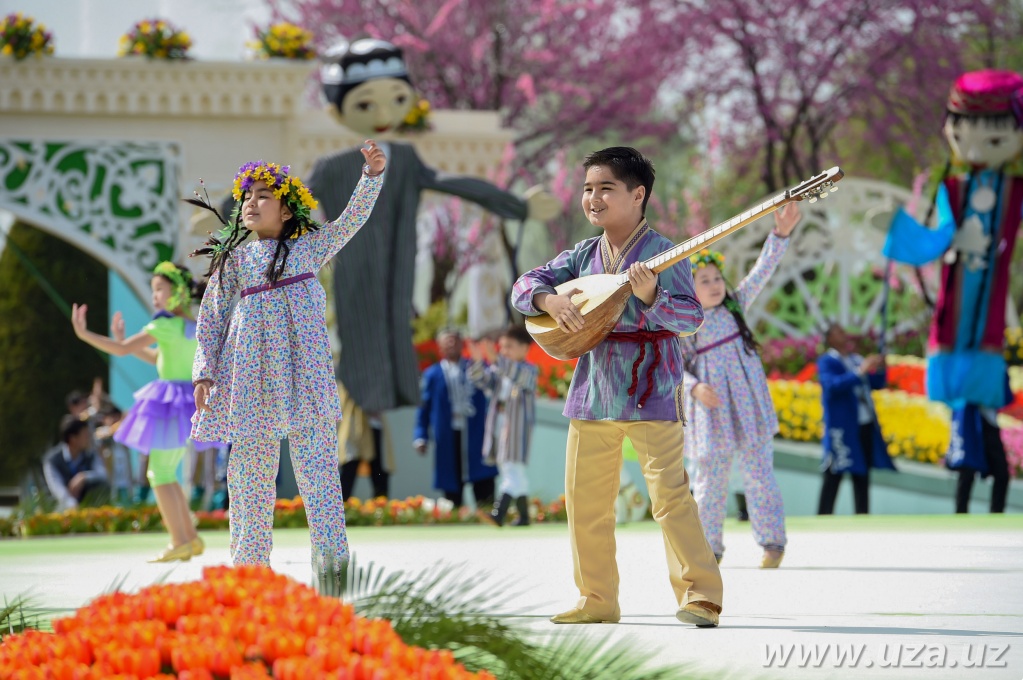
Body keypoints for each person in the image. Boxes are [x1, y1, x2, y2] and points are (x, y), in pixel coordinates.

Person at [512, 146, 723, 627]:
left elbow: (691, 317)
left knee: (670, 499)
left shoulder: (667, 253)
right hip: (593, 389)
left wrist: (652, 295)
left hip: (652, 386)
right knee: (585, 503)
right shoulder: (583, 255)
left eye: (606, 187)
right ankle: (596, 598)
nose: (593, 198)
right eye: (588, 189)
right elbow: (524, 284)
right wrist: (547, 297)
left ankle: (702, 595)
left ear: (638, 195)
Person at [310, 38, 559, 418]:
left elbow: (453, 182)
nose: (382, 112)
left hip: (399, 274)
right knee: (359, 341)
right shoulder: (332, 168)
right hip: (354, 275)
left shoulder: (406, 159)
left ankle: (398, 421)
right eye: (364, 103)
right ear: (336, 109)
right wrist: (228, 217)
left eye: (396, 98)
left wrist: (518, 205)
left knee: (397, 336)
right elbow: (284, 195)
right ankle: (362, 418)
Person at [190, 142, 386, 581]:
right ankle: (250, 579)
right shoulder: (234, 261)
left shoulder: (309, 249)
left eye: (264, 195)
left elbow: (351, 221)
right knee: (248, 486)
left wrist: (369, 178)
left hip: (307, 380)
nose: (252, 203)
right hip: (250, 384)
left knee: (320, 484)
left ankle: (333, 578)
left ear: (287, 208)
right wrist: (203, 371)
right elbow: (213, 316)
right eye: (247, 196)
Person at [882, 70, 1023, 513]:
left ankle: (979, 501)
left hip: (989, 319)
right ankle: (976, 502)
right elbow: (936, 239)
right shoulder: (951, 189)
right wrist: (903, 229)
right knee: (973, 423)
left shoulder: (1015, 190)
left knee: (976, 422)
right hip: (955, 319)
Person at [681, 203, 800, 569]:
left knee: (760, 474)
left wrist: (779, 235)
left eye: (718, 279)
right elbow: (674, 367)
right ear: (691, 287)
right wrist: (695, 387)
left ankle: (772, 544)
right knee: (710, 483)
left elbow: (762, 271)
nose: (715, 286)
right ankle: (708, 549)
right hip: (712, 409)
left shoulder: (736, 307)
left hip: (748, 404)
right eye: (705, 281)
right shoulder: (686, 324)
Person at [70, 262, 205, 561]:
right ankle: (190, 538)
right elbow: (157, 357)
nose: (154, 295)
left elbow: (124, 352)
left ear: (178, 293)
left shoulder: (163, 325)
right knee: (167, 471)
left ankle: (180, 540)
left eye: (159, 289)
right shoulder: (192, 326)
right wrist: (123, 342)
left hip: (170, 405)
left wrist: (84, 334)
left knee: (159, 473)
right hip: (188, 407)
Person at [817, 323, 896, 515]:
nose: (844, 334)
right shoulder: (827, 361)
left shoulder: (854, 359)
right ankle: (823, 515)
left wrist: (880, 368)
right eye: (839, 332)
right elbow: (833, 386)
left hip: (863, 424)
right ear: (830, 339)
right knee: (835, 472)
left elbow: (876, 383)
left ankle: (862, 515)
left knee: (862, 472)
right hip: (842, 426)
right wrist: (860, 371)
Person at [413, 328, 496, 509]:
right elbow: (424, 409)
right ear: (439, 347)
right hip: (447, 435)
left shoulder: (474, 368)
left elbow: (492, 383)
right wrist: (420, 436)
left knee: (483, 480)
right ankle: (454, 513)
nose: (451, 345)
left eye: (454, 341)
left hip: (475, 433)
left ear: (461, 344)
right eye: (446, 342)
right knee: (451, 482)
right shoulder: (432, 374)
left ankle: (489, 512)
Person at [468, 325, 539, 527]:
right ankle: (524, 517)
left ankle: (498, 513)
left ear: (525, 348)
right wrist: (478, 360)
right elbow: (482, 380)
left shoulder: (529, 370)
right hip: (500, 424)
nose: (504, 351)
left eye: (509, 346)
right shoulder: (500, 370)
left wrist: (495, 359)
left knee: (510, 469)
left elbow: (516, 374)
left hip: (516, 429)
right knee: (514, 470)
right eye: (502, 347)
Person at [43, 416, 110, 511]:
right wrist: (73, 506)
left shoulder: (90, 455)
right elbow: (58, 490)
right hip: (63, 513)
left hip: (92, 510)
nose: (89, 439)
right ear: (73, 439)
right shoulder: (52, 461)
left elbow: (103, 475)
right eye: (85, 435)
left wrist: (84, 477)